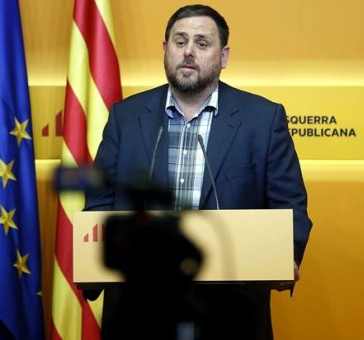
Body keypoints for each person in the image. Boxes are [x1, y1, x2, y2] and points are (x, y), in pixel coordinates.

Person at [85, 4, 312, 340]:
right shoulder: (126, 117)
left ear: (223, 56)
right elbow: (100, 203)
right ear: (165, 50)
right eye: (180, 42)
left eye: (202, 44)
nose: (189, 51)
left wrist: (285, 256)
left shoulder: (262, 120)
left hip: (231, 314)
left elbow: (289, 203)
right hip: (140, 313)